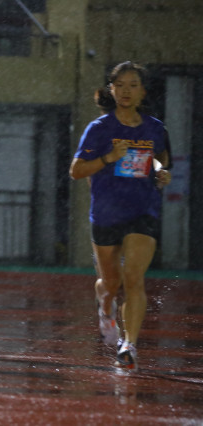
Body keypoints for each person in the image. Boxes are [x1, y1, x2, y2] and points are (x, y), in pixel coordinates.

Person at [70, 61, 172, 370]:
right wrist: (108, 158)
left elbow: (160, 158)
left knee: (134, 278)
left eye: (133, 85)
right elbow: (76, 171)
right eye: (120, 85)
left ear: (143, 92)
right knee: (112, 284)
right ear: (111, 90)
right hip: (106, 212)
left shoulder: (155, 128)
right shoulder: (99, 129)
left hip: (143, 209)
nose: (126, 91)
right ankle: (105, 307)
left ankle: (129, 345)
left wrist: (161, 171)